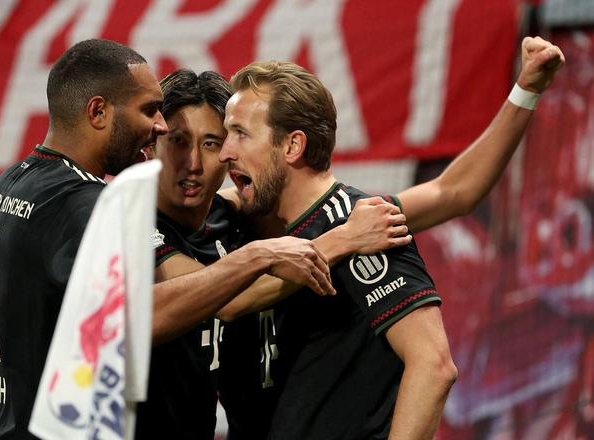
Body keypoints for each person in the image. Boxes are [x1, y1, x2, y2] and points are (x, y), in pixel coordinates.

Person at [0, 39, 333, 440]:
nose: (157, 125)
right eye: (148, 111)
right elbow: (134, 319)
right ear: (98, 112)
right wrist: (260, 256)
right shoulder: (88, 207)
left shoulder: (14, 183)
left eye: (211, 143)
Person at [216, 36, 565, 439]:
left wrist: (525, 91)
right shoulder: (254, 224)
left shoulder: (369, 226)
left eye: (241, 134)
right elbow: (226, 299)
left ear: (293, 145)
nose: (225, 152)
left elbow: (433, 365)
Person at [136, 69, 409, 439]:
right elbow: (225, 297)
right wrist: (342, 240)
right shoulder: (130, 223)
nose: (194, 162)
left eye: (212, 143)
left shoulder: (232, 215)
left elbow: (443, 195)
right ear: (151, 146)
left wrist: (517, 96)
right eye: (178, 141)